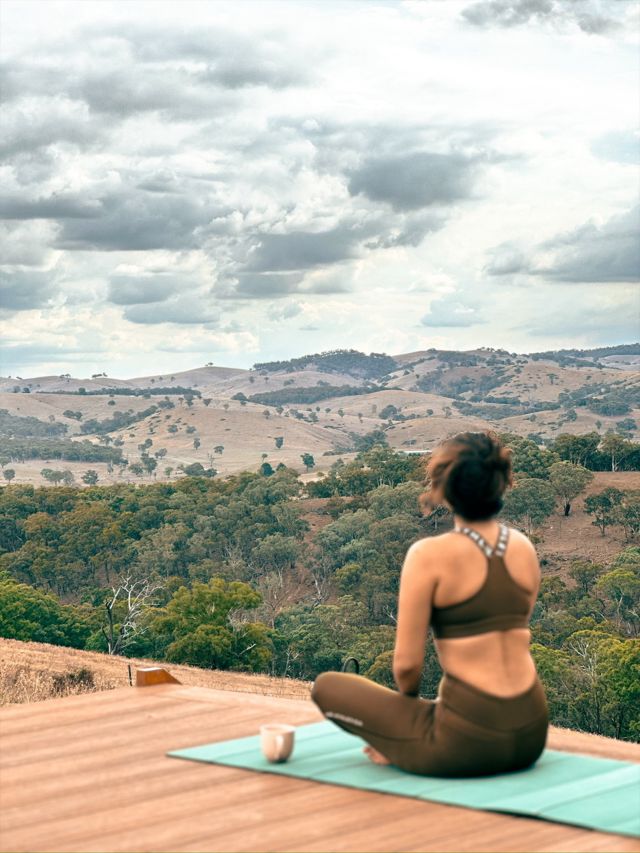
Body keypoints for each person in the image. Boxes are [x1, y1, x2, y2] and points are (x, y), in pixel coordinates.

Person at [311, 431, 548, 777]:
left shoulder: (429, 555)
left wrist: (399, 730)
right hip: (530, 735)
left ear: (444, 490)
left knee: (327, 687)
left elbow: (407, 667)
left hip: (465, 745)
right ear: (503, 485)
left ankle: (404, 743)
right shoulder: (524, 547)